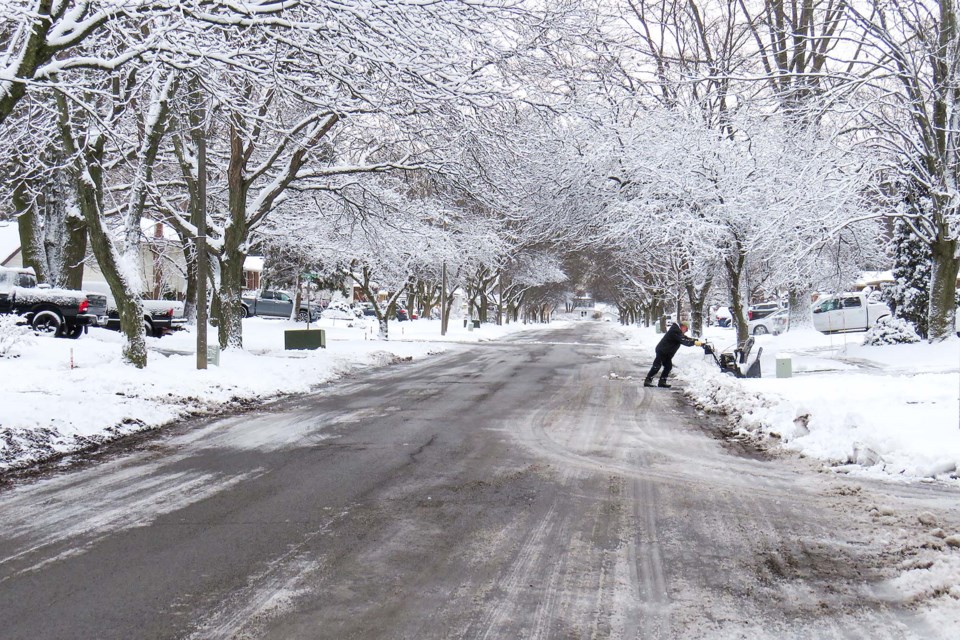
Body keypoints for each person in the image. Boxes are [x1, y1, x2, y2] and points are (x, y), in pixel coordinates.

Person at [644, 321, 702, 388]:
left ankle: (662, 382)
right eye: (686, 329)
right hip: (662, 351)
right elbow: (684, 341)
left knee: (668, 366)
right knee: (656, 366)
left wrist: (695, 340)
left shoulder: (678, 332)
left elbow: (685, 338)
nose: (686, 331)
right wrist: (694, 343)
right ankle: (648, 380)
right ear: (683, 326)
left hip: (667, 353)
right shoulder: (675, 331)